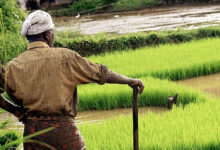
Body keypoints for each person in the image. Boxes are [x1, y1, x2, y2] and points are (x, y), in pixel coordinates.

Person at [0, 10, 144, 150]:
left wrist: (16, 111)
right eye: (52, 32)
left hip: (33, 136)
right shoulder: (65, 57)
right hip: (65, 135)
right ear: (48, 35)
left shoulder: (13, 66)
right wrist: (130, 80)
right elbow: (101, 73)